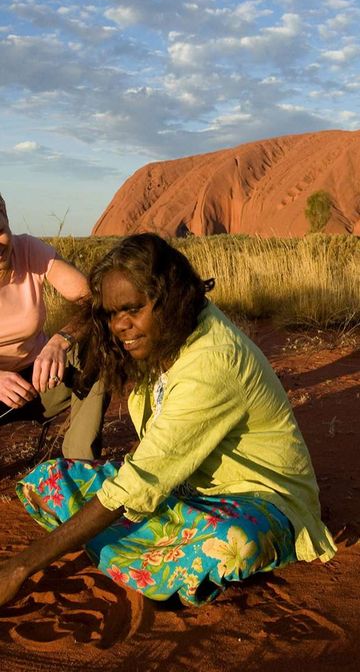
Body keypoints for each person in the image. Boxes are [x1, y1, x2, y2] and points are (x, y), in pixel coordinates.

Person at [0, 233, 336, 609]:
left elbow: (139, 481)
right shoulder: (163, 334)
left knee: (231, 543)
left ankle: (132, 545)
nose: (121, 325)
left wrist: (19, 567)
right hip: (187, 486)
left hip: (257, 497)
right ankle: (139, 546)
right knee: (49, 481)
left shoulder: (212, 361)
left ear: (170, 297)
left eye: (132, 309)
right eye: (112, 313)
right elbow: (145, 472)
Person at [0, 193, 109, 459]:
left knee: (99, 345)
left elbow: (91, 299)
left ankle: (79, 463)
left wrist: (59, 341)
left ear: (7, 218)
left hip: (40, 378)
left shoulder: (28, 250)